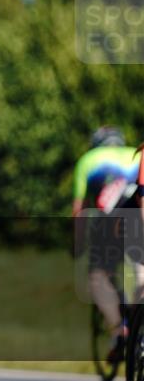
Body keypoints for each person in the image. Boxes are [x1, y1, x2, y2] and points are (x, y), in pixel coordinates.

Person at [72, 126, 142, 365]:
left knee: (99, 276)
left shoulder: (87, 161)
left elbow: (79, 212)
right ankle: (137, 320)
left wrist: (78, 244)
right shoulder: (136, 154)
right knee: (139, 272)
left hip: (112, 221)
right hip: (139, 215)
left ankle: (118, 330)